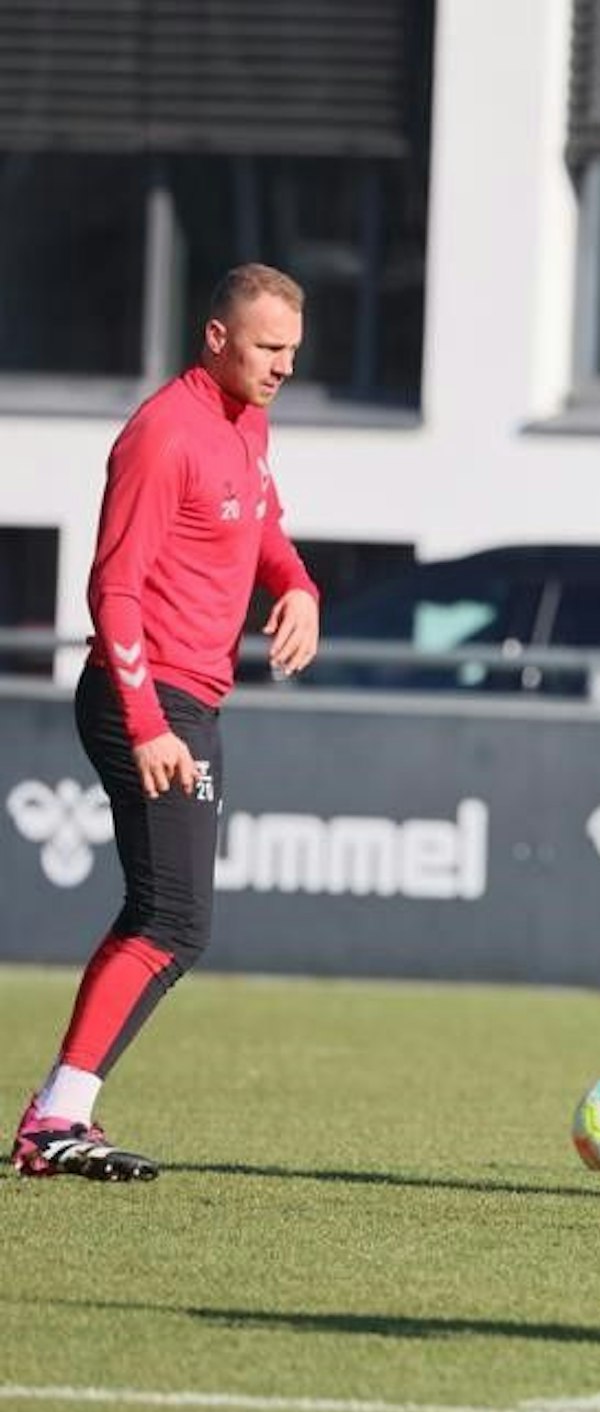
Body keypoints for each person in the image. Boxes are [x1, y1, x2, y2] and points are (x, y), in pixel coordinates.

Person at [12, 263, 321, 1182]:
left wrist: (297, 583)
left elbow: (261, 524)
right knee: (175, 916)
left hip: (192, 701)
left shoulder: (246, 421)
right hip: (141, 699)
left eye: (293, 353)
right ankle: (53, 1120)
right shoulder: (163, 432)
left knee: (169, 914)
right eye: (268, 349)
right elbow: (112, 585)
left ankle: (59, 1114)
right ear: (217, 338)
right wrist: (147, 721)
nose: (282, 368)